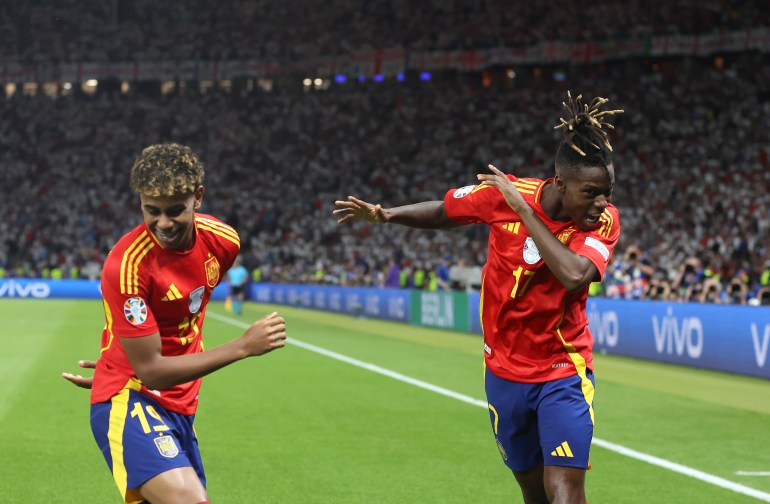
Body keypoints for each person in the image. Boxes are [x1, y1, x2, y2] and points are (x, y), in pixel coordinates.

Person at [333, 92, 623, 504]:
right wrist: (387, 215)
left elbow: (576, 276)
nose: (602, 203)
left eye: (607, 191)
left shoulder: (597, 221)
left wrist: (523, 212)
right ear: (560, 183)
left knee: (565, 490)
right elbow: (445, 211)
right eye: (591, 192)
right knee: (532, 491)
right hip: (503, 372)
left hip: (562, 370)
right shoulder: (503, 195)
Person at [61, 143, 287, 504]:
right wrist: (242, 346)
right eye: (152, 211)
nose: (162, 223)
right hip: (130, 396)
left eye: (174, 211)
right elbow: (149, 369)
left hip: (181, 403)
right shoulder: (128, 265)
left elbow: (182, 319)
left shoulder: (224, 242)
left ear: (198, 198)